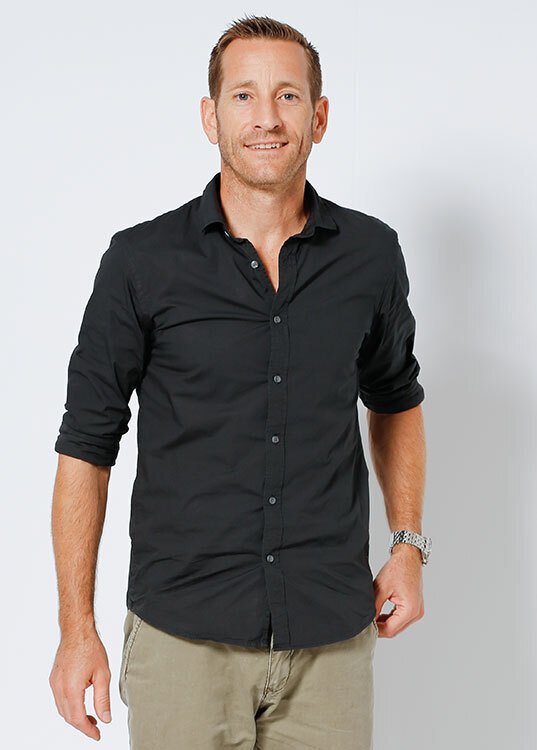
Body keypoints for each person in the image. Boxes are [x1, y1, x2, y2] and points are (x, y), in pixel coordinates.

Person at [48, 14, 431, 750]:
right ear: (210, 116)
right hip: (183, 638)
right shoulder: (140, 262)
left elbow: (395, 399)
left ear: (319, 117)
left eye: (287, 96)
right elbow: (86, 447)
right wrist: (76, 631)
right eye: (243, 95)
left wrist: (408, 545)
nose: (266, 118)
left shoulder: (371, 255)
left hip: (329, 638)